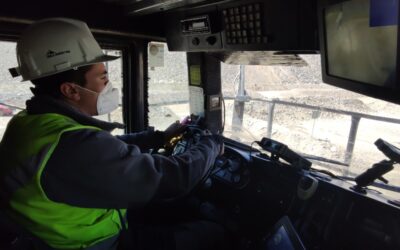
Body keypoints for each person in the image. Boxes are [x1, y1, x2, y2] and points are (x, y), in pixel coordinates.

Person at [0, 18, 224, 250]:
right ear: (71, 90)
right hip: (93, 243)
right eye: (103, 78)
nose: (109, 86)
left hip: (60, 231)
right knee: (211, 233)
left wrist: (158, 137)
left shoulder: (29, 123)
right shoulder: (74, 146)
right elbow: (174, 179)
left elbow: (104, 149)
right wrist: (212, 144)